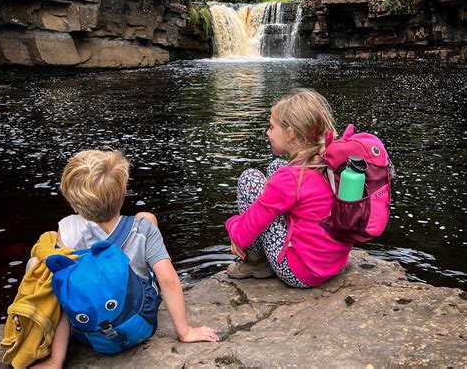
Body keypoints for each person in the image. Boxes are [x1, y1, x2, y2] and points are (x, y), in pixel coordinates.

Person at [37, 150, 218, 368]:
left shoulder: (66, 230)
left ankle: (56, 359)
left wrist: (55, 362)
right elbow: (168, 280)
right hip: (141, 322)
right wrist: (185, 331)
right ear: (123, 192)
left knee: (68, 284)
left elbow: (61, 297)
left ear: (74, 204)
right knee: (146, 217)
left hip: (91, 334)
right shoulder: (142, 229)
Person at [225, 88, 352, 288]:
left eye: (271, 127)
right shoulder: (327, 161)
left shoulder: (291, 178)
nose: (267, 132)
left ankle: (256, 262)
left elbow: (243, 233)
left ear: (290, 134)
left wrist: (234, 225)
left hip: (300, 272)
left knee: (250, 179)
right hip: (332, 262)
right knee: (276, 167)